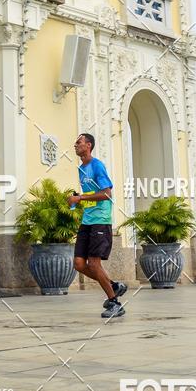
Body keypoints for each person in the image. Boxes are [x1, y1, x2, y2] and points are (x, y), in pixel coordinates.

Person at [69, 133, 127, 319]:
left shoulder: (97, 165)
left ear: (89, 145)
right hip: (87, 220)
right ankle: (114, 286)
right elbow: (92, 193)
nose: (75, 145)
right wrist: (79, 199)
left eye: (79, 142)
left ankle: (115, 303)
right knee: (79, 264)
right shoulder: (81, 168)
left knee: (94, 264)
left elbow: (107, 193)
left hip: (100, 221)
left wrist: (81, 197)